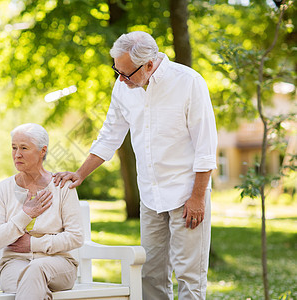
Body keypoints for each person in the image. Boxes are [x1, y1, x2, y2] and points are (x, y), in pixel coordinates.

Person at [54, 31, 217, 299]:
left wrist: (198, 197)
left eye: (126, 73)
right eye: (116, 71)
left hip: (187, 194)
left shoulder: (189, 82)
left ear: (150, 65)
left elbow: (205, 146)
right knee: (150, 273)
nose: (120, 79)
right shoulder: (123, 86)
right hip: (150, 196)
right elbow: (110, 135)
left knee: (189, 274)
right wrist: (80, 174)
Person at [0, 123, 84, 300]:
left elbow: (75, 236)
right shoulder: (2, 189)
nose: (17, 154)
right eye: (14, 148)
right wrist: (26, 214)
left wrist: (33, 244)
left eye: (24, 148)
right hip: (14, 264)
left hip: (59, 265)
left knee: (35, 270)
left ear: (42, 151)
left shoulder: (62, 186)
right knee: (32, 283)